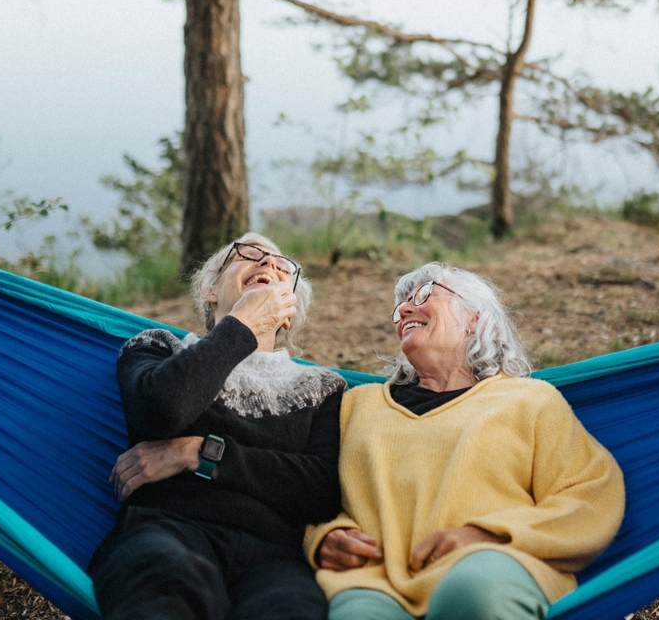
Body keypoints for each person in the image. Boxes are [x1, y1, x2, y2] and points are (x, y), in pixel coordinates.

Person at [309, 262, 625, 620]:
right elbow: (307, 495)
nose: (406, 311)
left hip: (491, 568)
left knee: (472, 594)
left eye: (425, 295)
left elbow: (591, 494)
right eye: (401, 308)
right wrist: (323, 539)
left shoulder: (529, 400)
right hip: (377, 581)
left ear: (474, 317)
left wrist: (490, 537)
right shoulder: (356, 406)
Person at [88, 233, 345, 620]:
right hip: (169, 532)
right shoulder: (159, 349)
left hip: (275, 557)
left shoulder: (322, 389)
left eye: (281, 265)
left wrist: (198, 453)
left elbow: (321, 488)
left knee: (291, 609)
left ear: (288, 311)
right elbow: (161, 411)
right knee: (165, 583)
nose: (268, 264)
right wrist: (243, 324)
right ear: (210, 290)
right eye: (249, 254)